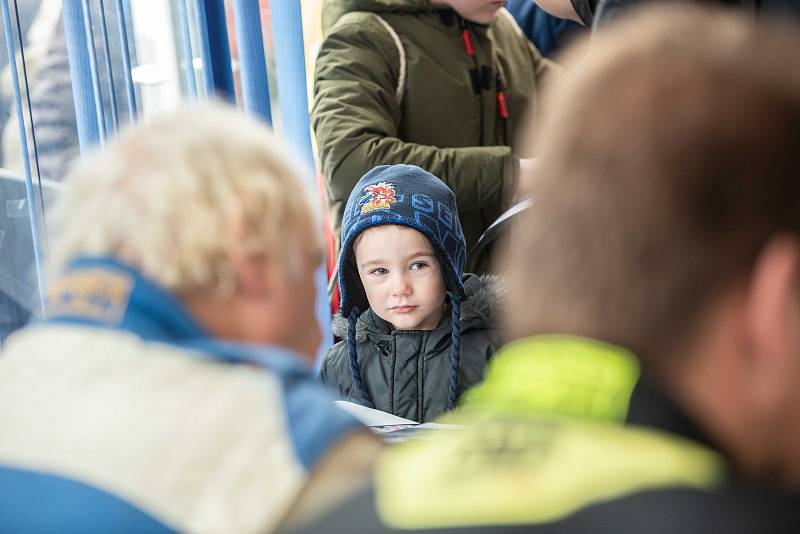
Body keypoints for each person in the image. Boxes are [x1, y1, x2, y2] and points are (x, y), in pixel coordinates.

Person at [290, 5, 800, 532]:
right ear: (775, 301)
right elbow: (350, 159)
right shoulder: (746, 515)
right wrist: (518, 173)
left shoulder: (327, 517)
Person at [0, 104, 382, 533]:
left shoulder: (13, 370)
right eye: (313, 267)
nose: (318, 333)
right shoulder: (292, 450)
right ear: (251, 256)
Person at [312, 0, 557, 274]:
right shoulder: (362, 36)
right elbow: (352, 166)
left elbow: (570, 101)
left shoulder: (505, 29)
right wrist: (510, 174)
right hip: (407, 305)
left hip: (507, 292)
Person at [320, 164, 503, 422]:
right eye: (380, 271)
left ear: (448, 265)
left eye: (418, 265)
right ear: (357, 277)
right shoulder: (339, 366)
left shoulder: (497, 351)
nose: (400, 288)